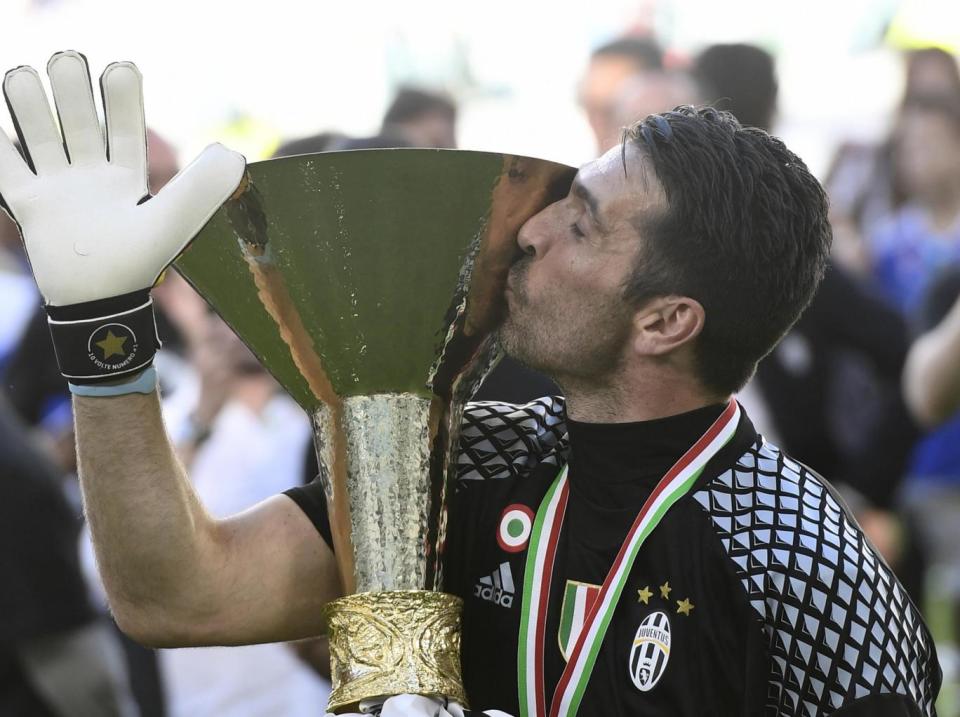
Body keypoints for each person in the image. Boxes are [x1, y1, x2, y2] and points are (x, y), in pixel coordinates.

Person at [0, 51, 940, 717]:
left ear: (666, 321)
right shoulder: (476, 455)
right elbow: (177, 596)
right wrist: (103, 336)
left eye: (581, 223)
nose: (529, 230)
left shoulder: (802, 562)